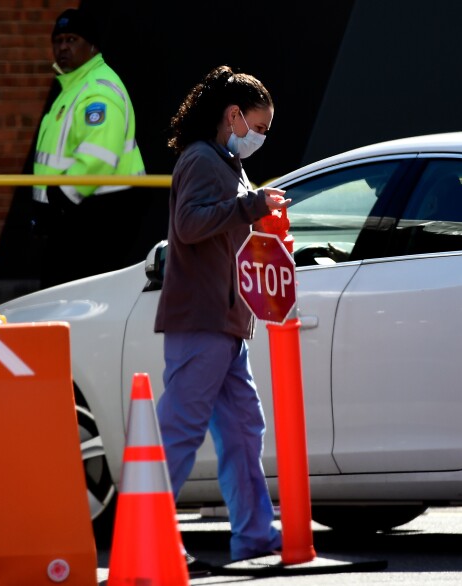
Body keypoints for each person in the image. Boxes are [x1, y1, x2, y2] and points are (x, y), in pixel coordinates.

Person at [154, 65, 289, 565]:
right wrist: (249, 207)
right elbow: (190, 225)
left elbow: (219, 227)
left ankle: (255, 534)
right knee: (182, 432)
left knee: (241, 429)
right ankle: (149, 533)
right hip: (205, 321)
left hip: (224, 323)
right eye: (258, 126)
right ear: (233, 116)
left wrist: (252, 210)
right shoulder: (204, 160)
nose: (261, 136)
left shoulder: (222, 163)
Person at [32, 8, 146, 288]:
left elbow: (99, 156)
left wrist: (61, 198)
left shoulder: (98, 90)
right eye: (58, 41)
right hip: (76, 212)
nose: (63, 47)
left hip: (96, 213)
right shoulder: (74, 87)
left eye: (72, 40)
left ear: (93, 46)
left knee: (76, 297)